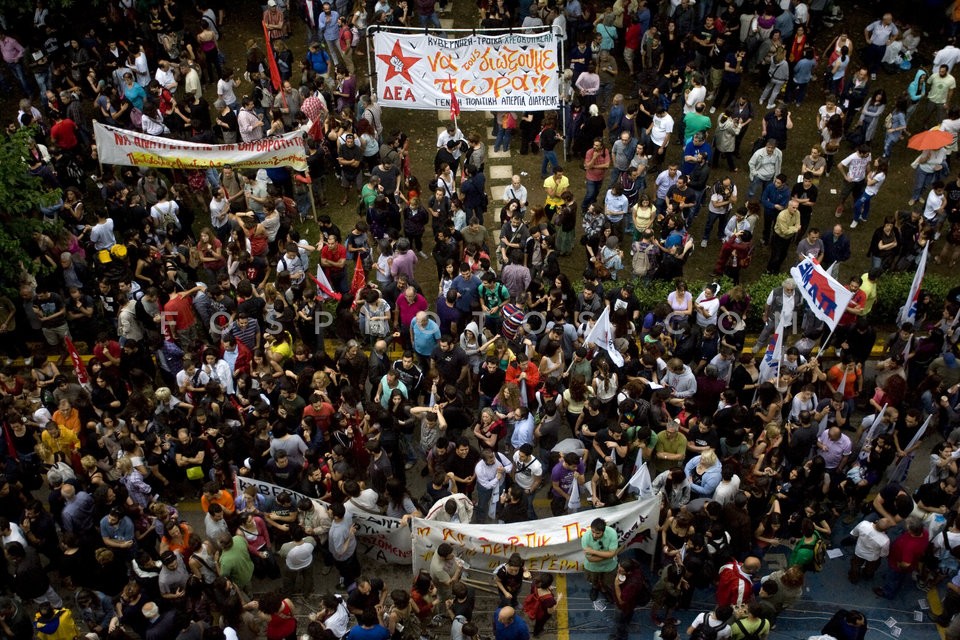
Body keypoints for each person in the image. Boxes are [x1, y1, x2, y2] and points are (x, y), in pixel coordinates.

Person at [581, 517, 618, 601]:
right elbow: (590, 559)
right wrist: (608, 556)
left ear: (603, 531)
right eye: (593, 532)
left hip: (609, 566)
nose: (594, 535)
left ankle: (604, 590)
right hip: (593, 567)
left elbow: (611, 553)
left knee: (607, 581)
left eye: (597, 533)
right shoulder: (586, 538)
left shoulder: (612, 533)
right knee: (594, 581)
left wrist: (593, 551)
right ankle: (595, 588)